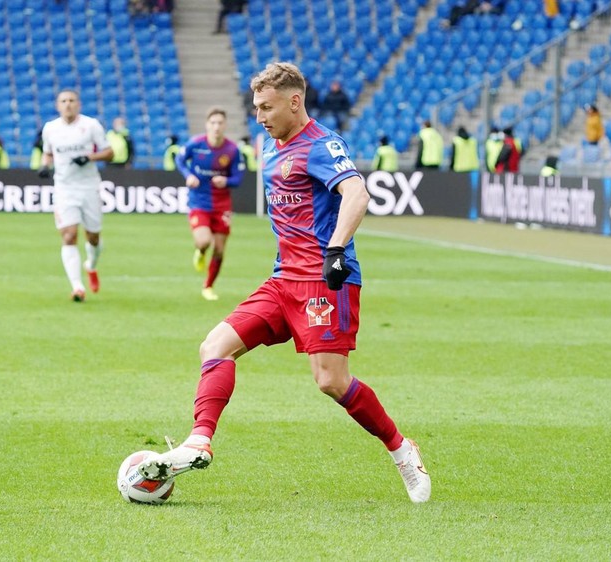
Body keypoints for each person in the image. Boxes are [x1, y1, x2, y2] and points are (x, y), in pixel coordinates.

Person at [134, 61, 431, 504]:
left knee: (331, 381)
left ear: (295, 102)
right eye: (255, 107)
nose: (259, 116)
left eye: (267, 107)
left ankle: (402, 449)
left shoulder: (322, 145)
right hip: (282, 280)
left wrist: (334, 249)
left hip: (325, 282)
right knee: (214, 346)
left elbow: (357, 193)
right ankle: (198, 440)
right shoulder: (269, 146)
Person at [39, 89, 114, 301]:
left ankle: (90, 265)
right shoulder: (50, 128)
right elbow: (48, 152)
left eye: (72, 100)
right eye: (63, 101)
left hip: (89, 186)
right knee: (69, 235)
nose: (68, 104)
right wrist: (45, 165)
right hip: (64, 188)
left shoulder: (90, 125)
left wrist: (89, 157)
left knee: (93, 236)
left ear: (78, 104)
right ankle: (77, 287)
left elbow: (110, 152)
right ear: (57, 105)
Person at [175, 107, 243, 301]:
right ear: (207, 125)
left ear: (225, 125)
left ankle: (208, 286)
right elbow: (179, 159)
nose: (216, 127)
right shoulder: (195, 144)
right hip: (199, 202)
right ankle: (200, 251)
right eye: (213, 123)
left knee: (220, 249)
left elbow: (238, 178)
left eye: (220, 123)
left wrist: (226, 181)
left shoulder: (232, 150)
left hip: (222, 205)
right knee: (204, 241)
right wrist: (188, 176)